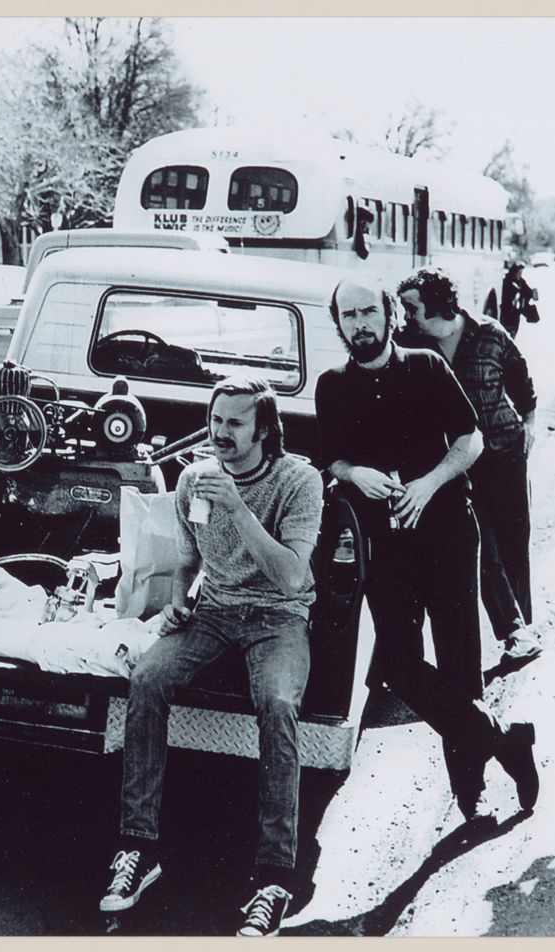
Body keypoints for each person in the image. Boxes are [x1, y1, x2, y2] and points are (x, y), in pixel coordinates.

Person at [98, 376, 323, 938]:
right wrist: (177, 602)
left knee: (276, 704)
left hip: (279, 616)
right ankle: (138, 849)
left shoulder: (300, 480)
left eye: (234, 423)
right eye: (215, 420)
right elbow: (189, 560)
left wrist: (241, 508)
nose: (220, 433)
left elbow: (293, 574)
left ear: (264, 430)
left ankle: (274, 877)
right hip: (214, 613)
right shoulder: (193, 478)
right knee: (147, 677)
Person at [315, 278, 539, 825]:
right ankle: (505, 740)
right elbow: (329, 459)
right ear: (339, 324)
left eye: (370, 311)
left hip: (448, 533)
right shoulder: (332, 385)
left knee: (461, 665)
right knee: (398, 664)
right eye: (350, 316)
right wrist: (354, 473)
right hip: (384, 545)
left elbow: (472, 439)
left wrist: (429, 482)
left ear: (391, 315)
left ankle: (471, 796)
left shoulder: (427, 367)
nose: (361, 323)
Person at [398, 267, 541, 660]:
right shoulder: (407, 343)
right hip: (455, 463)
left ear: (439, 305)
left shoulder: (491, 334)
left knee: (514, 541)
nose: (404, 316)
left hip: (504, 453)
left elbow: (523, 386)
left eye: (411, 308)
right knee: (484, 545)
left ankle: (522, 634)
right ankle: (514, 631)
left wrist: (529, 426)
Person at [497, 261, 540, 339]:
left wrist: (533, 293)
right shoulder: (506, 282)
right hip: (506, 315)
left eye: (521, 273)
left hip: (515, 316)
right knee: (505, 334)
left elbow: (528, 292)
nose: (520, 275)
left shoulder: (521, 282)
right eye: (518, 272)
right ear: (514, 272)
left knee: (512, 334)